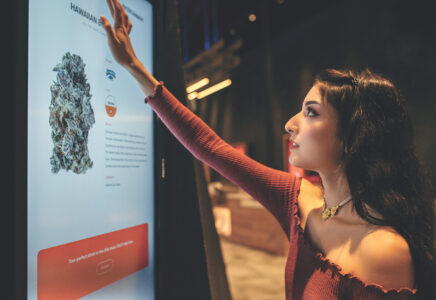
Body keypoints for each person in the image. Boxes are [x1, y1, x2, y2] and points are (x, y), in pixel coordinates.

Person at [101, 0, 436, 298]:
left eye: (311, 112)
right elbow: (211, 148)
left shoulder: (384, 251)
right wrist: (133, 67)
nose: (290, 124)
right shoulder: (298, 198)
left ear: (353, 137)